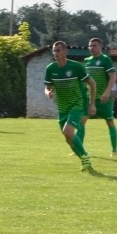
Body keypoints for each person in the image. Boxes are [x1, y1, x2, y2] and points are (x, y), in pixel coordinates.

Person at [42, 40, 96, 171]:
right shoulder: (51, 68)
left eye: (58, 50)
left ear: (65, 52)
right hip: (62, 108)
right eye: (54, 51)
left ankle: (85, 156)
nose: (56, 53)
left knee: (68, 131)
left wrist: (92, 103)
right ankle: (85, 161)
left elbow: (92, 83)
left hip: (76, 105)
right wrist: (48, 92)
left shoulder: (75, 67)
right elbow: (46, 87)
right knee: (67, 138)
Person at [80, 38, 117, 154]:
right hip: (89, 98)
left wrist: (107, 92)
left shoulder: (106, 60)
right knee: (82, 121)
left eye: (94, 46)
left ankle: (114, 150)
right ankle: (79, 149)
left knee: (109, 122)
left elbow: (113, 76)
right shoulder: (87, 60)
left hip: (103, 98)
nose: (91, 48)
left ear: (100, 47)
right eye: (90, 46)